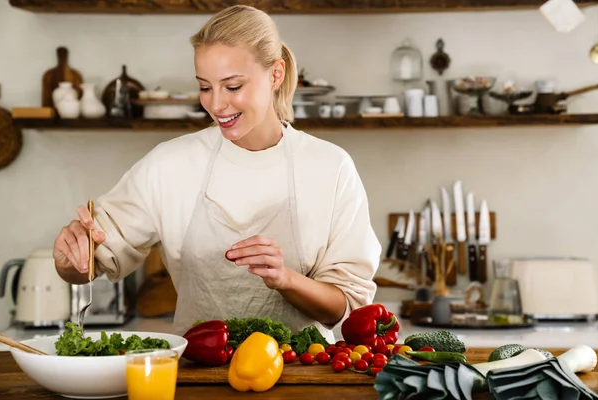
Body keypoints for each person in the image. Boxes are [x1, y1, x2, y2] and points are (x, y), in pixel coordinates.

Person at [52, 5, 381, 342]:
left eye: (233, 86)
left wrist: (286, 279)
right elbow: (90, 263)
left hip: (301, 375)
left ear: (276, 74)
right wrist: (70, 256)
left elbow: (348, 307)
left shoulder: (330, 167)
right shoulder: (170, 164)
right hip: (196, 375)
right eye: (205, 87)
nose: (217, 105)